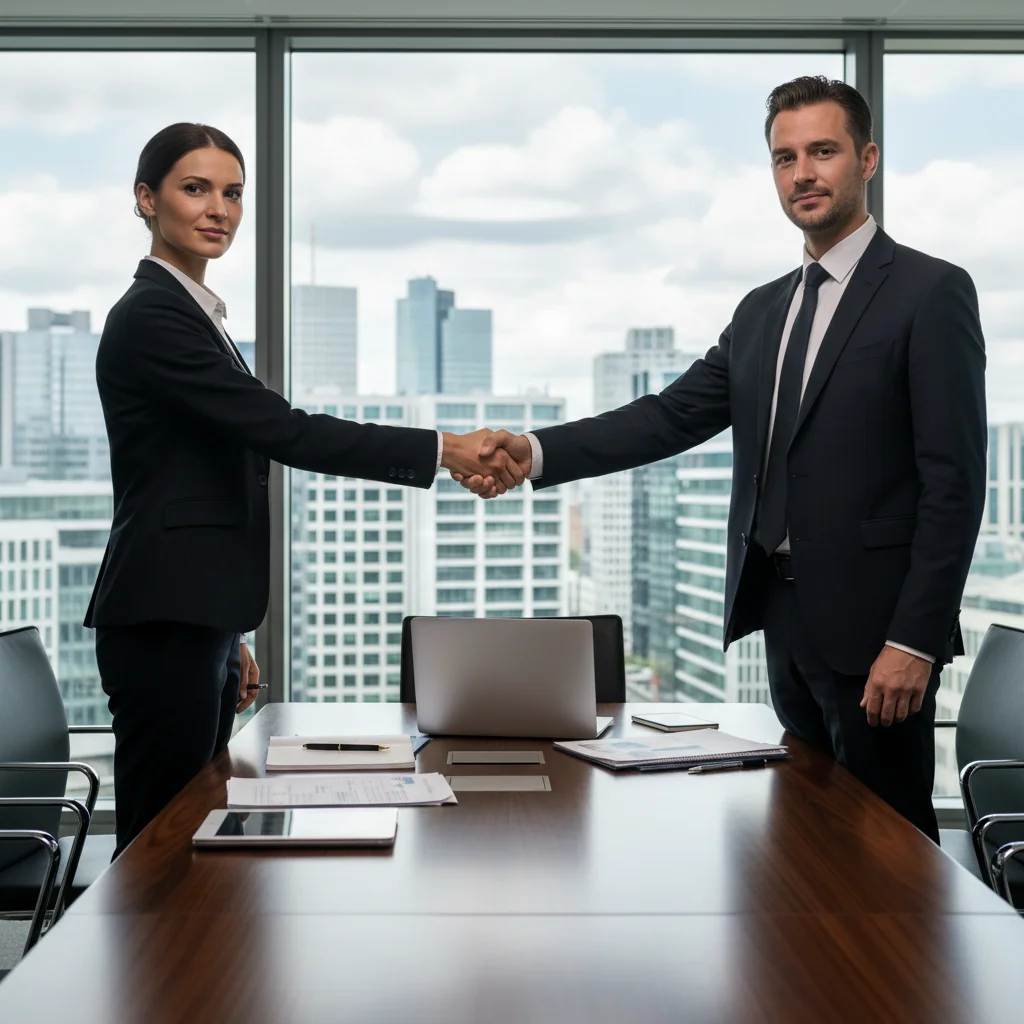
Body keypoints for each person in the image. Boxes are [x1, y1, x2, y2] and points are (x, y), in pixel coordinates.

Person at [458, 76, 987, 842]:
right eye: (783, 158)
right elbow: (667, 418)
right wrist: (533, 452)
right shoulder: (763, 309)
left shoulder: (930, 292)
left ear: (867, 159)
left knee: (892, 854)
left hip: (879, 637)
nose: (802, 173)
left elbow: (955, 483)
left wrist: (914, 642)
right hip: (783, 615)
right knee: (805, 837)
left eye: (822, 152)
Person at [86, 122, 523, 856]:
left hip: (190, 616)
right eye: (195, 189)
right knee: (159, 845)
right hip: (164, 622)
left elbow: (196, 479)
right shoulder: (155, 315)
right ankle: (145, 973)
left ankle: (186, 972)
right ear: (145, 199)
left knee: (195, 824)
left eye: (232, 193)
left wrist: (227, 628)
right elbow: (282, 431)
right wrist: (443, 448)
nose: (218, 208)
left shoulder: (191, 313)